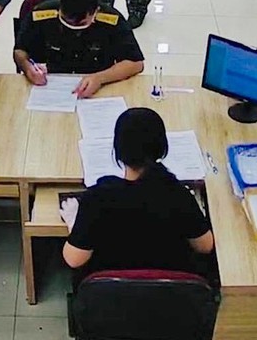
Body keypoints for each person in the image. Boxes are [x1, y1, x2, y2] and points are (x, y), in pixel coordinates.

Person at [60, 108, 215, 287]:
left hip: (111, 300)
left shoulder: (97, 199)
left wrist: (73, 221)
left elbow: (74, 259)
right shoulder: (177, 194)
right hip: (169, 299)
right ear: (162, 148)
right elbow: (205, 246)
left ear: (117, 151)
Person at [13, 0, 144, 98]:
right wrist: (27, 67)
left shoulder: (111, 20)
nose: (72, 26)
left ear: (95, 11)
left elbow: (136, 63)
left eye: (80, 24)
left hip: (97, 87)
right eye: (66, 20)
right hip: (49, 85)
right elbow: (20, 50)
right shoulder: (40, 15)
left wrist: (100, 78)